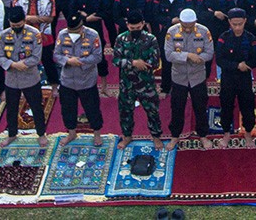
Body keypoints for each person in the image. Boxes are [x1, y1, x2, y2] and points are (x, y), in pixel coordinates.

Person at [0, 7, 49, 148]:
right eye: (13, 25)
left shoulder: (34, 34)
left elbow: (36, 56)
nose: (16, 28)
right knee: (11, 108)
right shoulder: (4, 35)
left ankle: (41, 134)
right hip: (12, 79)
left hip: (30, 77)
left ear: (24, 21)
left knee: (36, 107)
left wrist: (23, 64)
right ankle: (12, 134)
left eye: (19, 25)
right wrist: (12, 64)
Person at [113, 11, 163, 150]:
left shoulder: (151, 39)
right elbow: (116, 60)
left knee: (152, 111)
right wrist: (133, 63)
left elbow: (155, 61)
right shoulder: (121, 39)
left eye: (138, 27)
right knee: (125, 112)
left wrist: (144, 64)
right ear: (127, 25)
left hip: (146, 83)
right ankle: (127, 136)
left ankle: (156, 137)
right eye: (132, 28)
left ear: (143, 24)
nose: (135, 30)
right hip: (126, 84)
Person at [165, 8, 214, 151]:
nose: (187, 29)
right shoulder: (172, 32)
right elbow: (169, 55)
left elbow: (209, 52)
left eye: (190, 26)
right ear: (180, 22)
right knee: (177, 108)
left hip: (197, 76)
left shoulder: (204, 31)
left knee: (200, 107)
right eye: (184, 26)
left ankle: (203, 135)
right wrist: (187, 56)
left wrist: (199, 58)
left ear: (195, 22)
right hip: (179, 77)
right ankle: (175, 135)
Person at [54, 11, 104, 147]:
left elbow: (97, 56)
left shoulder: (92, 35)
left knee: (92, 108)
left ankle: (97, 134)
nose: (73, 33)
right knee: (68, 109)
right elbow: (56, 55)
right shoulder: (62, 34)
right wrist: (67, 61)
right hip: (67, 80)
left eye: (75, 30)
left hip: (86, 80)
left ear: (81, 27)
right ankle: (71, 133)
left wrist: (80, 61)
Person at [215, 8, 256, 148]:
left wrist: (245, 65)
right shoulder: (223, 37)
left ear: (245, 21)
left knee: (248, 105)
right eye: (234, 24)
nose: (237, 27)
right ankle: (226, 133)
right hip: (228, 77)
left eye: (240, 24)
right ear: (229, 22)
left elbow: (254, 61)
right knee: (226, 105)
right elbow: (219, 60)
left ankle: (248, 133)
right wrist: (236, 65)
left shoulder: (251, 39)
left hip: (244, 77)